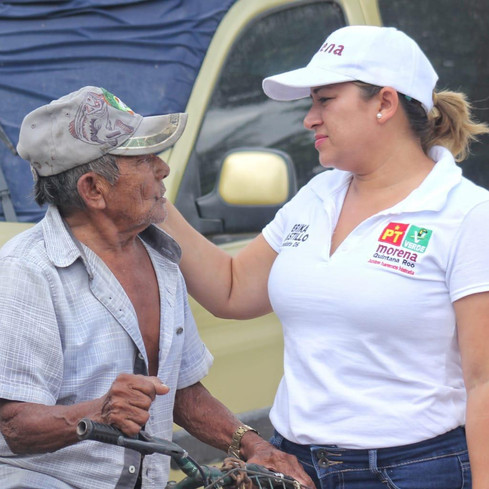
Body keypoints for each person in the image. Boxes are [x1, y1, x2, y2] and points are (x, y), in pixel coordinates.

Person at [160, 25, 489, 489]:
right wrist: (151, 199)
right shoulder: (318, 194)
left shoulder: (468, 214)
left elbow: (483, 382)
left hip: (416, 471)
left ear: (385, 103)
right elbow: (232, 290)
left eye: (325, 100)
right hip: (295, 465)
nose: (309, 119)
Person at [0, 86, 314, 489]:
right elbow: (14, 425)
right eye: (144, 160)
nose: (162, 169)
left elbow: (178, 390)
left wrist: (252, 444)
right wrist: (98, 412)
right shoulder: (27, 272)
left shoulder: (161, 258)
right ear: (93, 189)